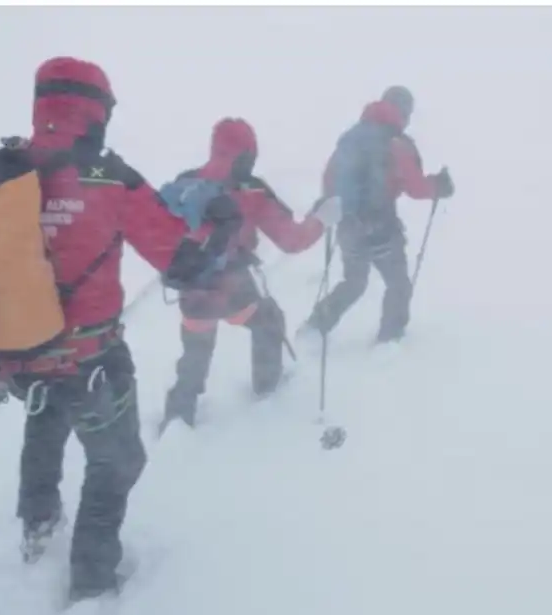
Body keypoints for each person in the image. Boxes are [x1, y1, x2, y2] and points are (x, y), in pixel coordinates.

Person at [0, 57, 221, 604]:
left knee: (46, 422)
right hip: (90, 358)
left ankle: (38, 526)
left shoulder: (4, 168)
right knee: (117, 461)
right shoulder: (109, 177)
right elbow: (178, 258)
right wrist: (215, 255)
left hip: (20, 352)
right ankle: (90, 580)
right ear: (96, 110)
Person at [158, 117, 341, 432]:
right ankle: (267, 389)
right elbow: (291, 240)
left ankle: (178, 416)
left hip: (192, 291)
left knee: (196, 351)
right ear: (246, 155)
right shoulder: (252, 191)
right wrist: (321, 220)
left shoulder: (187, 182)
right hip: (232, 288)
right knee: (268, 321)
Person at [300, 86, 455, 344]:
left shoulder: (351, 137)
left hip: (348, 226)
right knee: (398, 284)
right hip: (382, 227)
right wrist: (438, 186)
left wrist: (340, 213)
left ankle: (316, 326)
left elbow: (329, 180)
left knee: (354, 282)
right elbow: (415, 187)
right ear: (404, 112)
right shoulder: (396, 142)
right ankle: (390, 338)